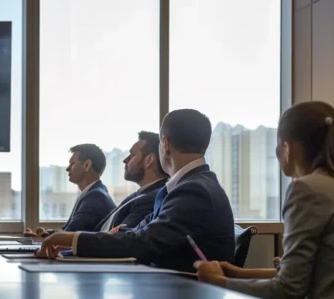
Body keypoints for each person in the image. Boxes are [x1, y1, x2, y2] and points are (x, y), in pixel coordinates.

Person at [195, 101, 334, 298]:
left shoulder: (307, 190)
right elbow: (327, 273)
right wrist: (238, 274)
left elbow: (288, 291)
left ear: (288, 148)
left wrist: (219, 283)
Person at [37, 109, 235, 273]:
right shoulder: (192, 185)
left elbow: (144, 242)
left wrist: (74, 239)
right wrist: (76, 241)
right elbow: (139, 232)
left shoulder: (193, 190)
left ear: (165, 144)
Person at [26, 144, 116, 236]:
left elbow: (68, 236)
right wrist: (43, 235)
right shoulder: (95, 193)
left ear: (87, 165)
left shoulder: (95, 198)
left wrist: (45, 238)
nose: (67, 168)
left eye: (72, 163)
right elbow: (69, 232)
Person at [94, 131, 169, 232]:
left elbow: (120, 237)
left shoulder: (153, 198)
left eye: (132, 155)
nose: (125, 160)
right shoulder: (139, 195)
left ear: (149, 160)